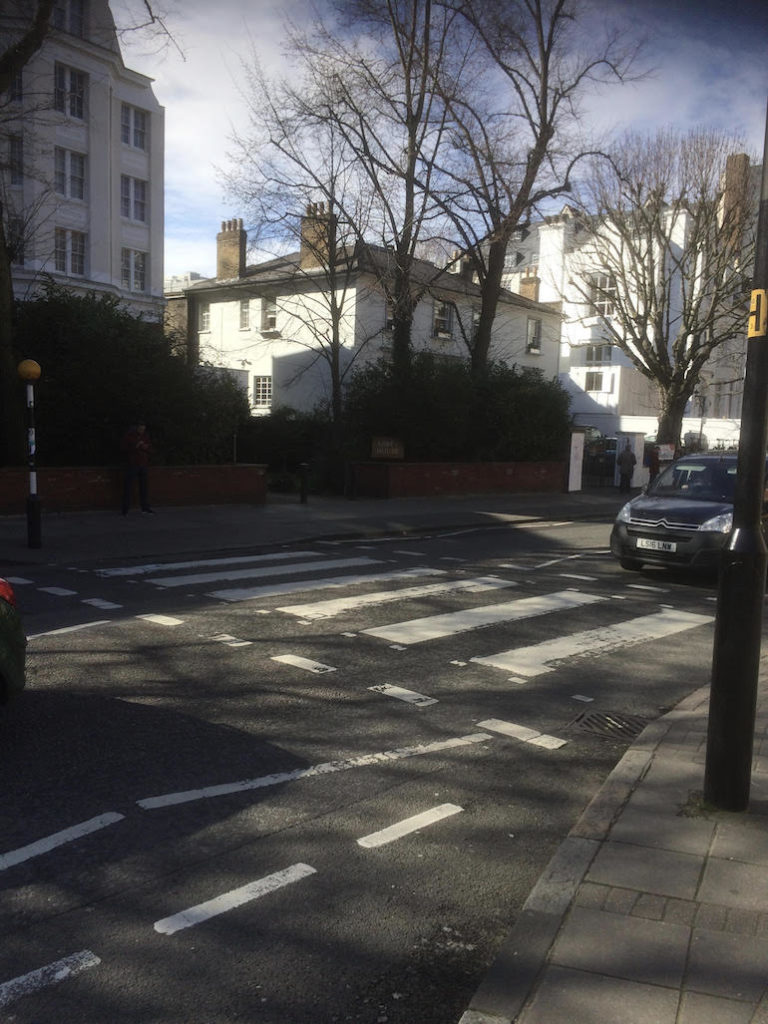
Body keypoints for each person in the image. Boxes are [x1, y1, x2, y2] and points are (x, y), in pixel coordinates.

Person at [121, 420, 154, 515]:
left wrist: (146, 447)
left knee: (144, 487)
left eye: (143, 429)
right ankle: (125, 509)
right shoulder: (129, 436)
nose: (142, 430)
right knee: (128, 487)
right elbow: (123, 448)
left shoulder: (145, 436)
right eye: (140, 428)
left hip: (143, 464)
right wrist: (136, 446)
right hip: (132, 464)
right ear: (136, 428)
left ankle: (145, 508)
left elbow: (151, 449)